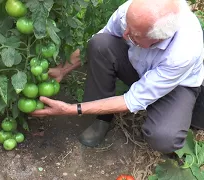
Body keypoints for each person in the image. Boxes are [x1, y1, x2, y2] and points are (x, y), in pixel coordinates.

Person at [31, 0, 204, 154]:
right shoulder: (133, 12)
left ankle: (179, 109)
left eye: (134, 34)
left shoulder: (183, 52)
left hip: (177, 85)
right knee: (100, 44)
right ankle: (102, 119)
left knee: (164, 137)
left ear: (157, 39)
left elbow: (132, 100)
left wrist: (71, 109)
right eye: (127, 25)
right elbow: (102, 39)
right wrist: (63, 69)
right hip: (140, 65)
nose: (125, 34)